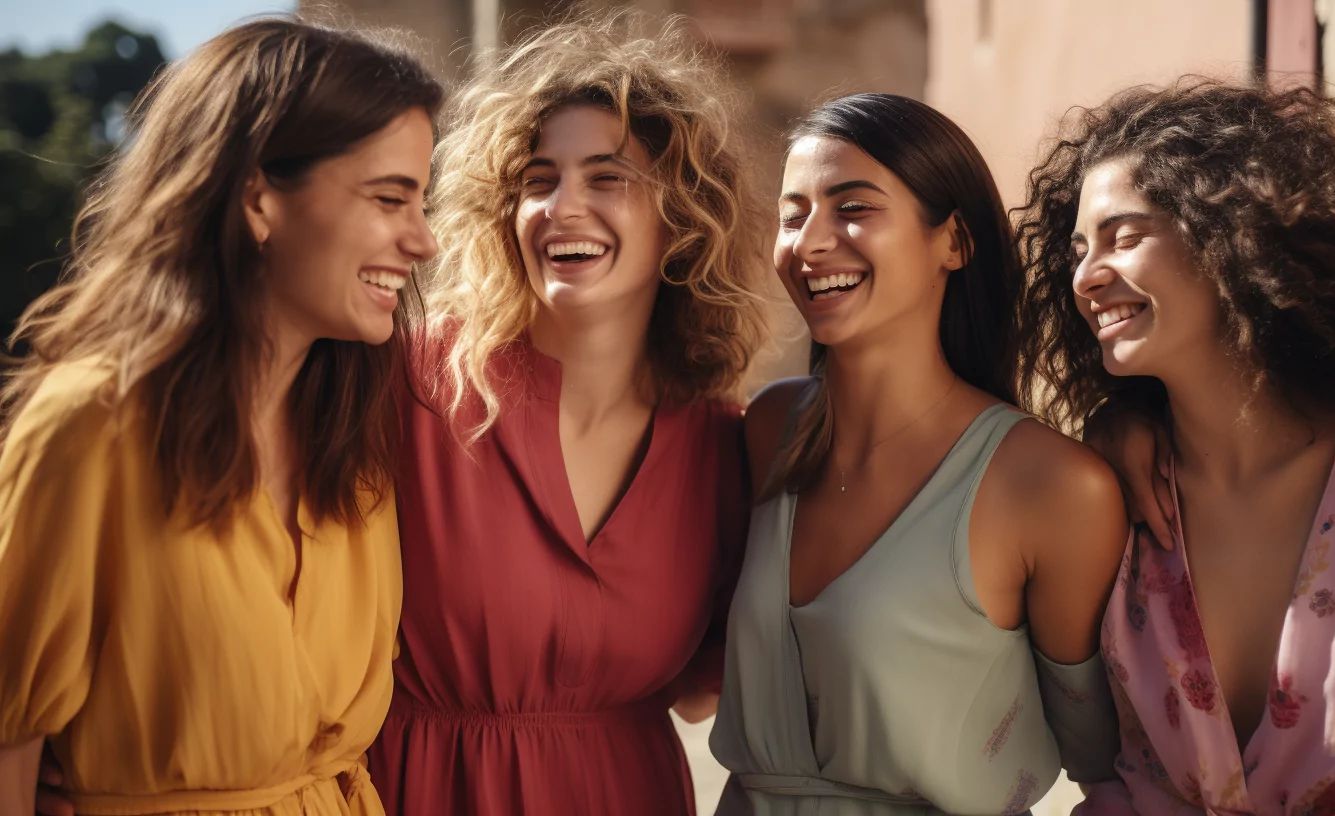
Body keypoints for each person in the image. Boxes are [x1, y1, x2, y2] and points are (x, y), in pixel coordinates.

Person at [0, 17, 440, 816]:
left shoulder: (357, 438)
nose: (425, 240)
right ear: (258, 197)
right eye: (389, 198)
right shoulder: (90, 429)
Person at [365, 12, 767, 815]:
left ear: (679, 222)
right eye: (539, 180)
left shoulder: (723, 444)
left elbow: (703, 693)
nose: (562, 207)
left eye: (607, 178)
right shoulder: (410, 383)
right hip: (420, 792)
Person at [1017, 79, 1335, 815]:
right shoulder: (1101, 498)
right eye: (1076, 250)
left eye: (1124, 237)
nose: (1086, 277)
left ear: (1230, 233)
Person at [708, 93, 1126, 815]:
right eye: (793, 213)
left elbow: (1106, 760)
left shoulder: (1052, 487)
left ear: (954, 242)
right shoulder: (769, 428)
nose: (809, 244)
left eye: (854, 208)